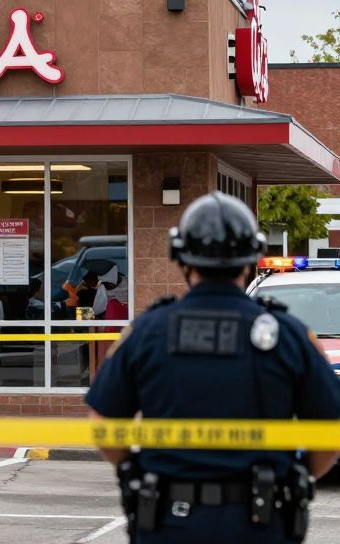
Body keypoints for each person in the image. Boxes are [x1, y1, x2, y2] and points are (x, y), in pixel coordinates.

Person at [86, 192, 340, 543]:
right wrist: (296, 477)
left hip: (168, 525)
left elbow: (104, 424)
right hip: (260, 523)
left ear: (181, 257)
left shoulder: (147, 332)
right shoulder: (290, 336)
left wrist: (133, 471)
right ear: (251, 257)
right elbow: (330, 433)